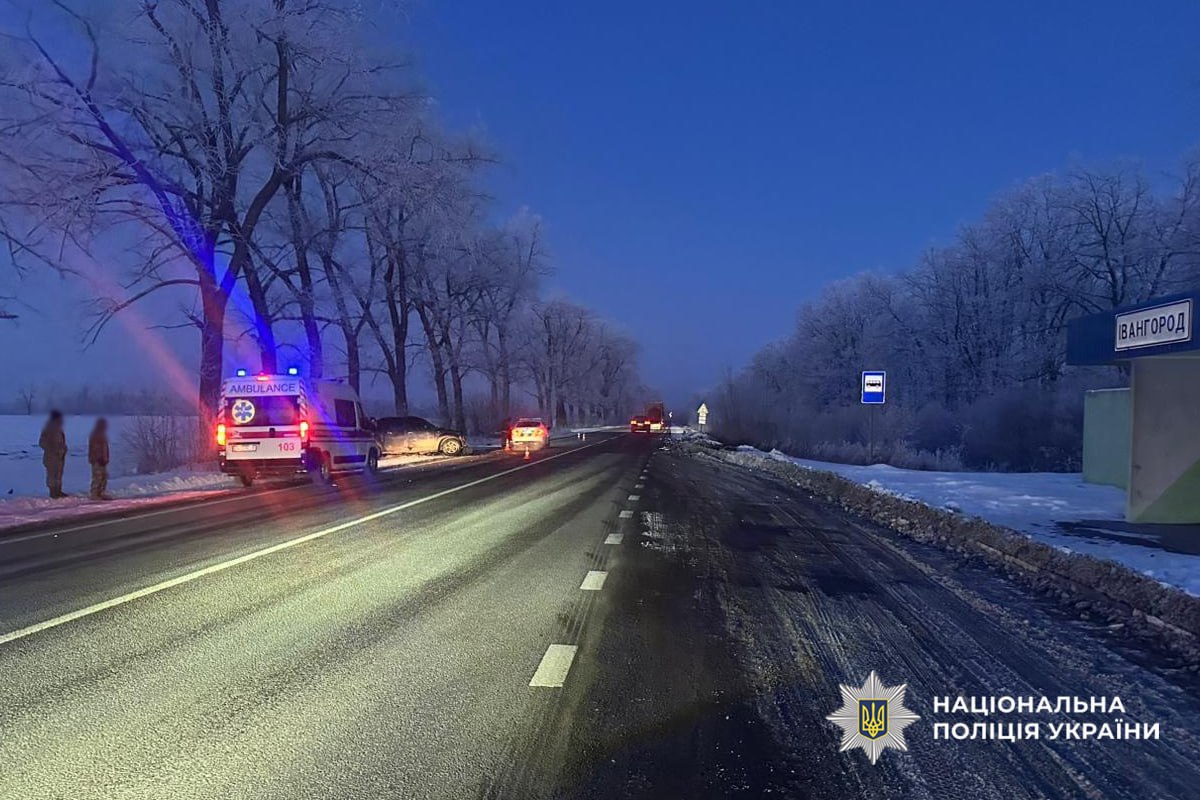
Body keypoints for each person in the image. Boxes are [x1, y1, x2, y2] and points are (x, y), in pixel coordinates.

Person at [38, 410, 68, 499]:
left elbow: (61, 442)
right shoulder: (48, 429)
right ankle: (53, 492)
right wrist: (52, 450)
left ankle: (58, 491)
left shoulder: (59, 429)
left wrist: (63, 450)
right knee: (52, 474)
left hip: (59, 457)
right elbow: (42, 442)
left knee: (58, 474)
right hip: (51, 457)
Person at [88, 417, 112, 501]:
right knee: (97, 477)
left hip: (102, 459)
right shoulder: (96, 434)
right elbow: (95, 448)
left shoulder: (102, 434)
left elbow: (104, 448)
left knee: (103, 476)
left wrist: (105, 458)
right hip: (97, 459)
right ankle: (94, 494)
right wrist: (99, 458)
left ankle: (101, 492)